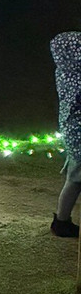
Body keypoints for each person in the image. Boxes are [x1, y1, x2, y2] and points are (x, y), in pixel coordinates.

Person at [51, 31, 81, 236]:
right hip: (78, 133)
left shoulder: (65, 72)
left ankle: (62, 221)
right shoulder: (76, 77)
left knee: (75, 178)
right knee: (75, 179)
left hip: (73, 132)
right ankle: (61, 223)